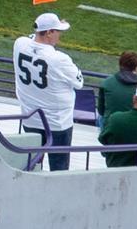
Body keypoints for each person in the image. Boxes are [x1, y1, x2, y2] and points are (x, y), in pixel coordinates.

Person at [14, 12, 86, 170]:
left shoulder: (20, 44)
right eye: (57, 31)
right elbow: (79, 82)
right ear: (49, 33)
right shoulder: (59, 59)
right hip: (57, 122)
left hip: (30, 117)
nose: (60, 36)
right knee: (59, 167)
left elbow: (30, 38)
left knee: (31, 164)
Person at [96, 51, 137, 125]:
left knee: (101, 118)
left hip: (110, 128)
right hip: (135, 127)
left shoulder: (107, 83)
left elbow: (101, 111)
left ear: (120, 65)